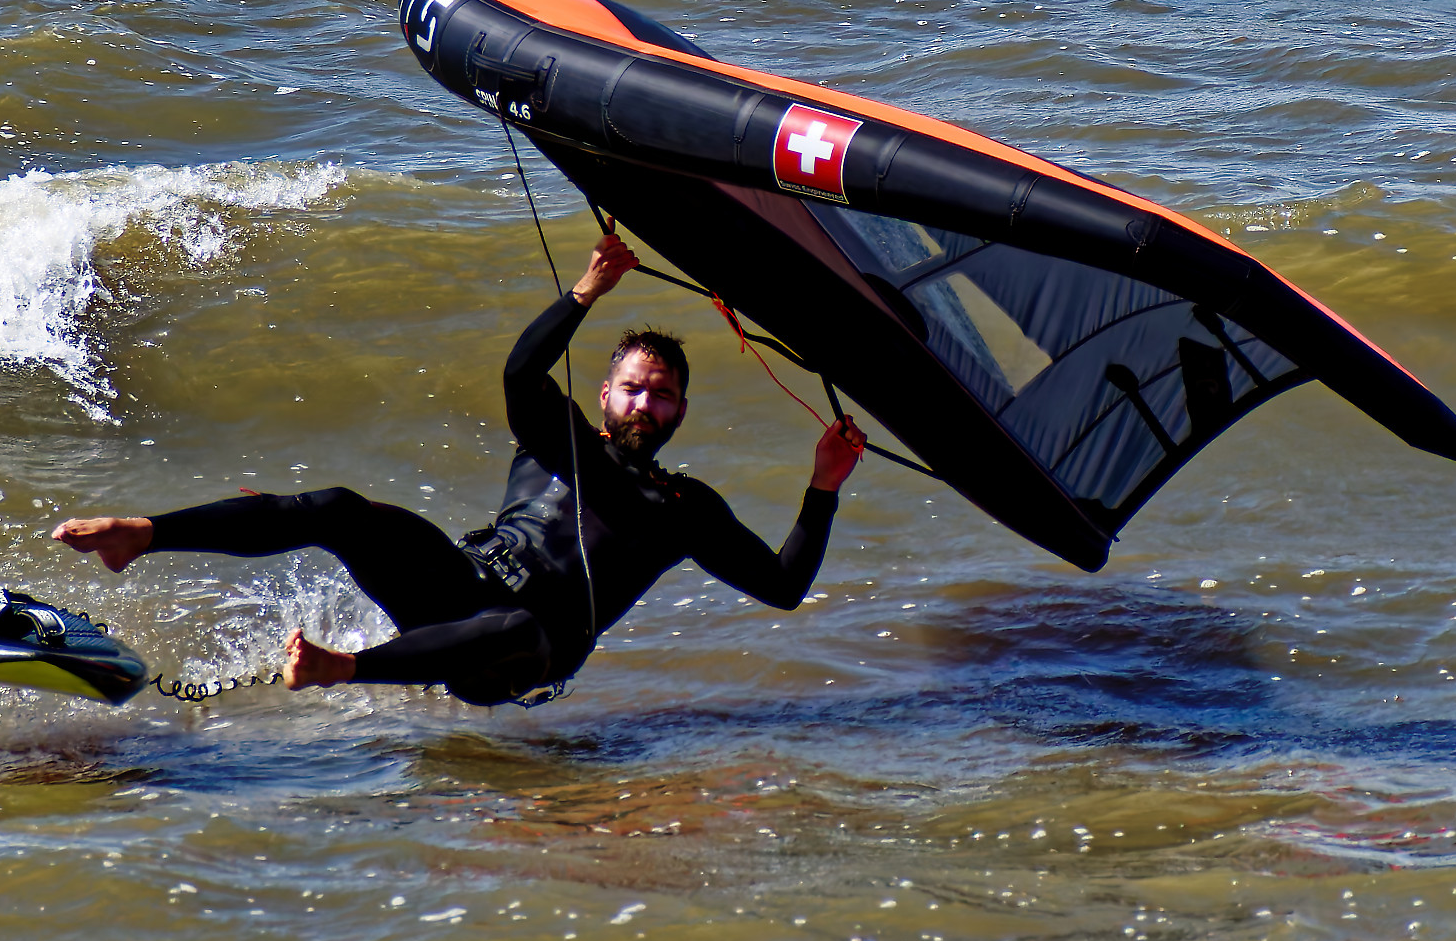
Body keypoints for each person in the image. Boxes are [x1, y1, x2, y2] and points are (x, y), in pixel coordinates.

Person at [53, 235, 866, 702]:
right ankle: (141, 534)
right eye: (632, 388)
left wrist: (821, 486)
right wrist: (584, 292)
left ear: (680, 412)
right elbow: (520, 376)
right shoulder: (562, 441)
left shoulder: (683, 505)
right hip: (458, 593)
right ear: (606, 393)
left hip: (522, 658)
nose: (644, 405)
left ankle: (347, 669)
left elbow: (783, 586)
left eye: (662, 396)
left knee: (520, 625)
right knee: (339, 506)